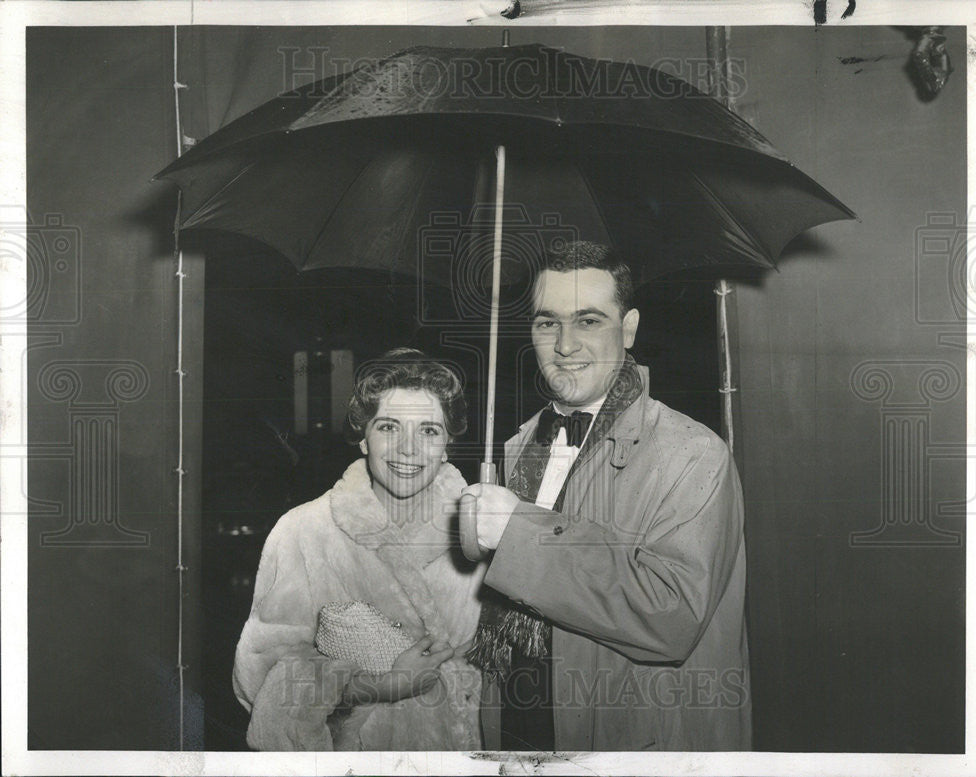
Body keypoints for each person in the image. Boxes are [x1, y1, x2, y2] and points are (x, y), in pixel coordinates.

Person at [462, 241, 751, 751]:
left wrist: (517, 534)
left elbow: (671, 616)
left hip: (628, 735)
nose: (565, 345)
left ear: (630, 328)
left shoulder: (693, 455)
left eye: (589, 321)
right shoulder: (516, 446)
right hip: (517, 724)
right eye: (547, 322)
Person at [233, 348, 486, 751]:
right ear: (363, 437)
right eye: (388, 427)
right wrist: (380, 686)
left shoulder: (481, 530)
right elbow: (258, 676)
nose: (408, 448)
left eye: (428, 431)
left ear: (448, 444)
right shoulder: (304, 531)